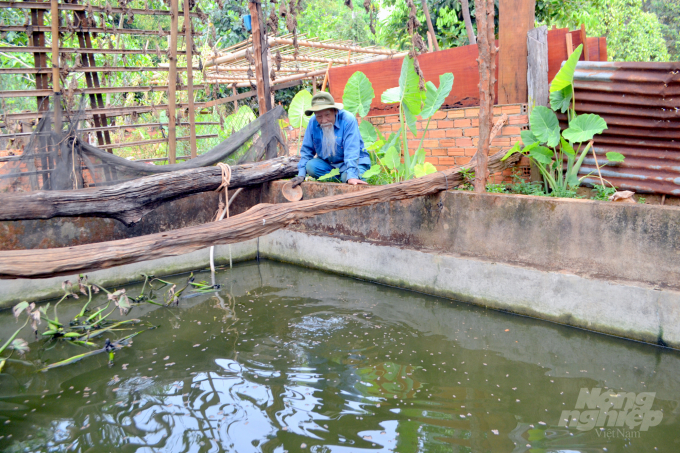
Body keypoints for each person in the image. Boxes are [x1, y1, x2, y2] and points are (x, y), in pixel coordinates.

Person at [290, 92, 371, 187]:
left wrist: (351, 175)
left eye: (327, 115)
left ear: (335, 111)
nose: (323, 120)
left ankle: (346, 178)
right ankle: (341, 180)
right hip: (330, 166)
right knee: (311, 166)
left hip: (354, 163)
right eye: (319, 116)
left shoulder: (348, 120)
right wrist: (301, 174)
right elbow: (307, 151)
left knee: (349, 178)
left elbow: (352, 151)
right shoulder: (312, 122)